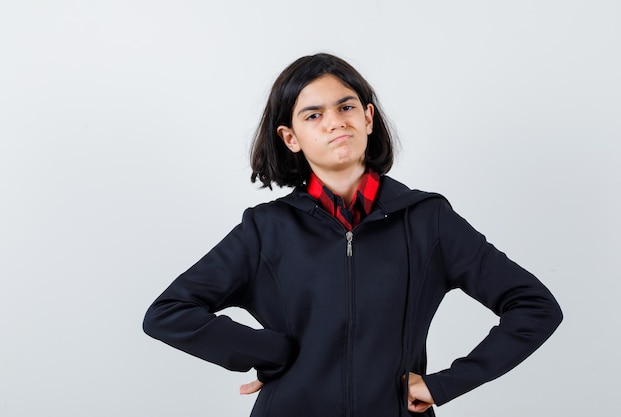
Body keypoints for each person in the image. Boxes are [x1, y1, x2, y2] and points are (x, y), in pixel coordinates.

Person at [143, 53, 562, 416]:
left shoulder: (427, 219)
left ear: (367, 117)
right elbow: (168, 313)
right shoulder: (266, 229)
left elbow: (534, 307)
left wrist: (446, 384)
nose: (334, 123)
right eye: (313, 115)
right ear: (291, 138)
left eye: (346, 107)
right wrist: (270, 353)